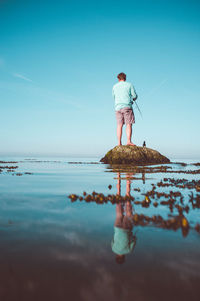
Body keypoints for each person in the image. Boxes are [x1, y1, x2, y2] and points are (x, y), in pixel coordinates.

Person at [112, 72, 137, 146]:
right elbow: (134, 96)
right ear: (125, 78)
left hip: (117, 108)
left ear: (118, 78)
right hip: (127, 106)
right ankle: (128, 141)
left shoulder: (114, 86)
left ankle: (119, 143)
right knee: (128, 124)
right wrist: (133, 100)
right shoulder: (129, 85)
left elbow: (114, 97)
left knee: (119, 125)